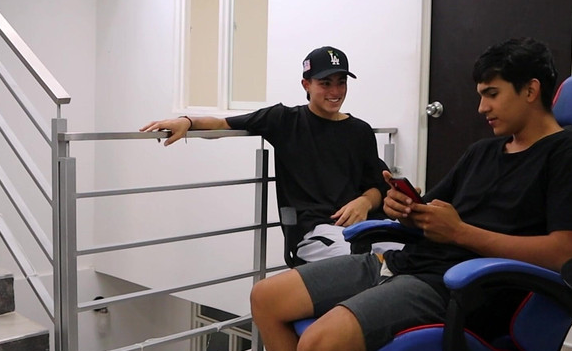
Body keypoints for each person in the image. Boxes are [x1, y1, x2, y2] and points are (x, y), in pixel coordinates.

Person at [249, 37, 572, 351]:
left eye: (492, 94)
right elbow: (428, 210)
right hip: (405, 262)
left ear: (530, 90)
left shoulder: (571, 155)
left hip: (459, 287)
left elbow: (566, 253)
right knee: (266, 298)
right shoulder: (482, 152)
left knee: (318, 346)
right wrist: (403, 208)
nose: (482, 107)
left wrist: (460, 233)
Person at [140, 46, 388, 262]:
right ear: (306, 85)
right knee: (367, 263)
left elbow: (376, 185)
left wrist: (365, 202)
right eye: (325, 83)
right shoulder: (284, 120)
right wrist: (187, 121)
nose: (335, 91)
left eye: (341, 82)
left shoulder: (360, 131)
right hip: (316, 231)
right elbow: (224, 124)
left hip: (364, 225)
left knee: (403, 254)